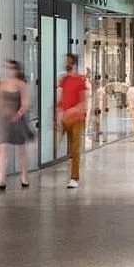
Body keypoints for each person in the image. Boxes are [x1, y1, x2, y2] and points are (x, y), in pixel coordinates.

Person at [0, 60, 32, 189]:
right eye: (6, 68)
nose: (8, 71)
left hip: (18, 120)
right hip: (4, 120)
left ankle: (24, 176)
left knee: (21, 149)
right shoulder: (2, 84)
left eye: (10, 68)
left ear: (16, 70)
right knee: (2, 148)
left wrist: (17, 115)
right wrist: (2, 113)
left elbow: (25, 104)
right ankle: (1, 179)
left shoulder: (21, 84)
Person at [57, 53, 90, 188]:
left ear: (73, 63)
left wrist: (71, 111)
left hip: (76, 119)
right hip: (65, 119)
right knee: (57, 143)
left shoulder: (81, 80)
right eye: (65, 61)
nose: (66, 64)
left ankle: (74, 178)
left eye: (68, 62)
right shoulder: (64, 80)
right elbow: (61, 99)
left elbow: (84, 102)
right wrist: (59, 112)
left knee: (75, 149)